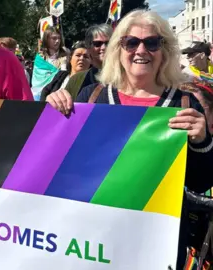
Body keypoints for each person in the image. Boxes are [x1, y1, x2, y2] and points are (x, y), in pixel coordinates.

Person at [45, 10, 213, 269]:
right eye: (131, 42)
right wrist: (51, 114)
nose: (141, 50)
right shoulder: (91, 97)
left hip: (156, 240)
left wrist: (202, 141)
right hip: (91, 235)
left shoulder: (184, 104)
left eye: (152, 43)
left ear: (164, 51)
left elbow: (200, 182)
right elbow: (58, 161)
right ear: (118, 49)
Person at [64, 24, 113, 99]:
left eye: (108, 43)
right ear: (89, 47)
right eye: (97, 44)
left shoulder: (126, 76)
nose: (103, 47)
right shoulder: (76, 80)